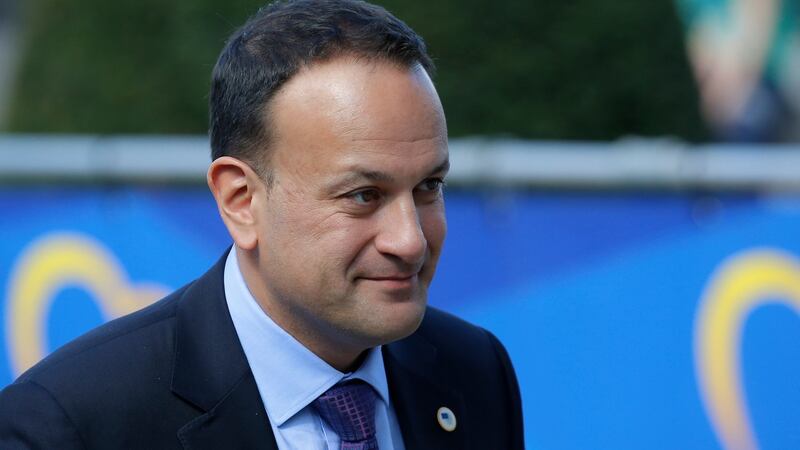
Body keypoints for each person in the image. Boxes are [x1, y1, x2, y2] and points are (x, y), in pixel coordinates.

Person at [0, 0, 523, 448]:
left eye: (429, 186)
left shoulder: (473, 373)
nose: (409, 240)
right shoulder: (70, 425)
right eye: (364, 195)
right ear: (241, 200)